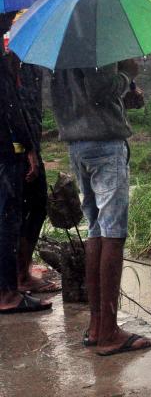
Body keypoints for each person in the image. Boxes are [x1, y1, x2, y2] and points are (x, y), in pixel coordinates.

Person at [51, 59, 151, 355]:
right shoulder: (98, 35)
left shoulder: (62, 43)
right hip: (105, 145)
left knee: (96, 230)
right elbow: (100, 89)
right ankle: (109, 332)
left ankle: (97, 326)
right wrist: (127, 74)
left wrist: (123, 90)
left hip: (77, 144)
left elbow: (87, 92)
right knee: (113, 234)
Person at [0, 11, 51, 314]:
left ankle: (19, 277)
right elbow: (10, 106)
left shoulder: (16, 58)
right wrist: (28, 146)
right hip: (10, 148)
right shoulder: (6, 59)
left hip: (19, 143)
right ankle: (8, 293)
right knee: (9, 217)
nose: (9, 16)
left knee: (29, 208)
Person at [15, 56, 57, 293]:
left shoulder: (28, 61)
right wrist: (28, 147)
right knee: (31, 206)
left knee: (29, 207)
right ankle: (20, 274)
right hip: (19, 147)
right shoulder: (17, 60)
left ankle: (21, 269)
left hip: (24, 144)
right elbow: (18, 105)